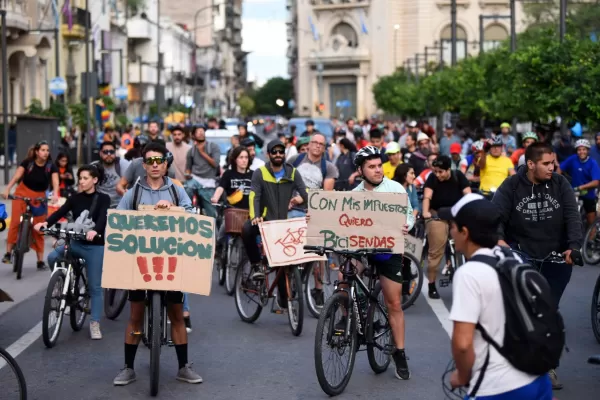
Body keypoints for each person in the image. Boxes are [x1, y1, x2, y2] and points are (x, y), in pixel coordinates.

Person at [443, 193, 553, 399]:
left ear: (464, 232)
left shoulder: (469, 273)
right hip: (537, 380)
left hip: (498, 387)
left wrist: (462, 376)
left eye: (453, 226)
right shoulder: (512, 258)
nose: (451, 232)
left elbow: (463, 344)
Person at [492, 142, 583, 389]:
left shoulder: (560, 184)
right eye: (546, 163)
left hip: (555, 258)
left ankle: (547, 366)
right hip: (522, 255)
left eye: (553, 162)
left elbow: (572, 216)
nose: (552, 167)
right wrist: (500, 241)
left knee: (548, 310)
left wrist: (573, 247)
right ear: (530, 164)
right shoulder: (511, 186)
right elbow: (496, 216)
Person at [112, 142, 202, 386]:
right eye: (149, 161)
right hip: (141, 263)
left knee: (176, 314)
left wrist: (173, 209)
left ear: (165, 164)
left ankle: (183, 366)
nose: (154, 165)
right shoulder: (134, 192)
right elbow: (118, 220)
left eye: (158, 161)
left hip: (171, 262)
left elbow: (193, 217)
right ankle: (128, 368)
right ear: (144, 165)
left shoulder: (176, 190)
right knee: (135, 316)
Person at [344, 146, 414, 380]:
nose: (377, 170)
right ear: (360, 170)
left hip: (389, 250)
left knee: (394, 302)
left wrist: (406, 225)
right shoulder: (354, 195)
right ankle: (351, 311)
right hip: (363, 248)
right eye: (371, 167)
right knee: (346, 274)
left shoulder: (395, 188)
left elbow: (409, 216)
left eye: (379, 165)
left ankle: (400, 353)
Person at [37, 165, 110, 340]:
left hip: (94, 245)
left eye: (85, 178)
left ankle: (94, 322)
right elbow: (60, 213)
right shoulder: (74, 198)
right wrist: (45, 224)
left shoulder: (103, 199)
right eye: (80, 178)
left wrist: (96, 231)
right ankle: (68, 287)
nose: (82, 181)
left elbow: (102, 219)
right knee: (53, 256)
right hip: (75, 242)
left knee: (95, 286)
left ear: (94, 180)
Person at [242, 140, 308, 289]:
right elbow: (254, 196)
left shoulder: (293, 172)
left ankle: (285, 300)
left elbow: (305, 193)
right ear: (268, 154)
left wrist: (312, 208)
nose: (278, 154)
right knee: (246, 229)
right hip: (265, 220)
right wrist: (255, 216)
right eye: (274, 152)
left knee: (282, 264)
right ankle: (256, 265)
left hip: (286, 222)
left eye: (281, 151)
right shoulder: (260, 172)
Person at [2, 141, 60, 268]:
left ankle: (39, 261)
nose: (46, 152)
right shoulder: (28, 163)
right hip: (22, 193)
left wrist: (55, 193)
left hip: (40, 197)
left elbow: (55, 181)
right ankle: (7, 253)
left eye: (47, 150)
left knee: (39, 228)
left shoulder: (51, 166)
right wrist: (7, 189)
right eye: (43, 150)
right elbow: (16, 177)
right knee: (15, 222)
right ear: (37, 152)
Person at [421, 155, 471, 299]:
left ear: (448, 170)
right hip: (437, 215)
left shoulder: (459, 176)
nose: (438, 174)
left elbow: (468, 195)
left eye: (440, 172)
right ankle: (431, 284)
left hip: (457, 214)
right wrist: (425, 212)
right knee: (436, 251)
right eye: (435, 171)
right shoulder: (432, 178)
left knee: (470, 245)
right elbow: (427, 197)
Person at [210, 146, 252, 254]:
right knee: (222, 232)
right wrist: (215, 197)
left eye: (246, 157)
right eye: (241, 157)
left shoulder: (254, 174)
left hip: (249, 213)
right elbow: (221, 187)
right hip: (232, 212)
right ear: (235, 160)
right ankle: (218, 250)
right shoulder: (228, 174)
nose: (244, 160)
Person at [559, 138, 600, 229]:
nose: (581, 152)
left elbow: (596, 182)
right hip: (573, 192)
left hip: (588, 194)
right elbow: (560, 169)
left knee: (591, 220)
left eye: (584, 149)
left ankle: (590, 241)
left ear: (588, 151)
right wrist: (557, 180)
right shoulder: (573, 159)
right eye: (579, 149)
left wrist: (581, 187)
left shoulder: (592, 163)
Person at [184, 125, 221, 218]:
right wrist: (187, 174)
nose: (201, 133)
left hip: (209, 181)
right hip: (195, 179)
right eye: (198, 131)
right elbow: (188, 168)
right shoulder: (191, 151)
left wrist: (202, 152)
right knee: (186, 190)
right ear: (193, 135)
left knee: (211, 213)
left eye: (202, 131)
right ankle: (187, 215)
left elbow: (215, 164)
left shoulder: (213, 147)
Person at [93, 142, 130, 208]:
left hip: (119, 205)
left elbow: (131, 183)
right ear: (100, 153)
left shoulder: (123, 164)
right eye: (105, 152)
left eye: (111, 151)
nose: (109, 154)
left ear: (115, 152)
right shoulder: (94, 166)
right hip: (99, 205)